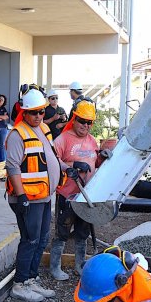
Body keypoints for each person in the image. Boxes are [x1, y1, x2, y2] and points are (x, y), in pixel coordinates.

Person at [5, 89, 61, 302]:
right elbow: (12, 167)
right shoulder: (17, 135)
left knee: (42, 239)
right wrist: (21, 197)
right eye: (33, 112)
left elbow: (51, 157)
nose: (38, 116)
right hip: (29, 198)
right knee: (30, 239)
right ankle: (19, 283)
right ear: (24, 112)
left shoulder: (44, 129)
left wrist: (68, 167)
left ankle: (31, 278)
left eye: (41, 111)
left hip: (44, 196)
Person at [49, 100, 106, 281]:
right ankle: (55, 267)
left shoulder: (91, 141)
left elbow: (95, 163)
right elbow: (51, 160)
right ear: (74, 118)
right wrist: (70, 166)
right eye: (82, 121)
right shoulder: (62, 139)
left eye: (89, 122)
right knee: (63, 231)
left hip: (86, 196)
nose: (86, 125)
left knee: (83, 232)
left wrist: (102, 158)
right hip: (68, 195)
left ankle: (80, 266)